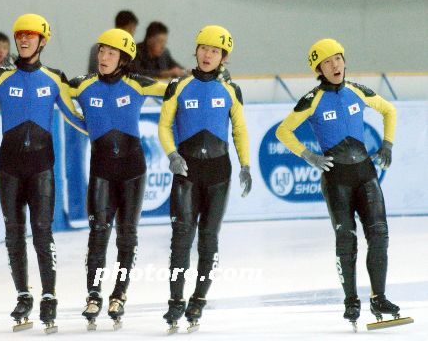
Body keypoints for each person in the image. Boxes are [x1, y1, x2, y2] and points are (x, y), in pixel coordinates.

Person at [0, 13, 86, 332]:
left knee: (41, 233)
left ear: (43, 41)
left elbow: (75, 118)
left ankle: (49, 296)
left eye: (30, 35)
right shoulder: (1, 75)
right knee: (13, 234)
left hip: (41, 167)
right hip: (8, 166)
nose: (23, 40)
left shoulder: (54, 78)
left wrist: (111, 129)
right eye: (19, 34)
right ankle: (24, 296)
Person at [275, 39, 403, 329]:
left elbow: (389, 110)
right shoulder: (312, 99)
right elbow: (284, 131)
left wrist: (387, 145)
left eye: (338, 59)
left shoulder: (358, 91)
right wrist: (308, 155)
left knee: (379, 235)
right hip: (337, 180)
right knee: (346, 238)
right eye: (327, 62)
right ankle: (351, 300)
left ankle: (379, 297)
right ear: (318, 69)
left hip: (366, 174)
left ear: (345, 61)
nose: (335, 66)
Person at [69, 28, 167, 330]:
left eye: (111, 53)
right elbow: (56, 96)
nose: (103, 57)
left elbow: (177, 92)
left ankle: (119, 294)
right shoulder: (83, 85)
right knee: (98, 234)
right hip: (101, 169)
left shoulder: (137, 84)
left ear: (124, 59)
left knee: (126, 235)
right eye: (101, 51)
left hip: (132, 170)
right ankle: (94, 294)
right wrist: (85, 125)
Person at [158, 25, 252, 332]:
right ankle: (175, 303)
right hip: (187, 172)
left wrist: (246, 165)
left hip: (218, 172)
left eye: (215, 51)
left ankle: (198, 300)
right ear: (195, 52)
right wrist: (172, 155)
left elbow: (239, 130)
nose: (208, 54)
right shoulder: (179, 85)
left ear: (224, 57)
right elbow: (164, 125)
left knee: (209, 240)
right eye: (203, 49)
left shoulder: (231, 90)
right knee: (180, 240)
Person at [87, 10, 138, 75]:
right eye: (133, 30)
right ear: (129, 28)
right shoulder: (129, 52)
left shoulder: (97, 47)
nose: (133, 34)